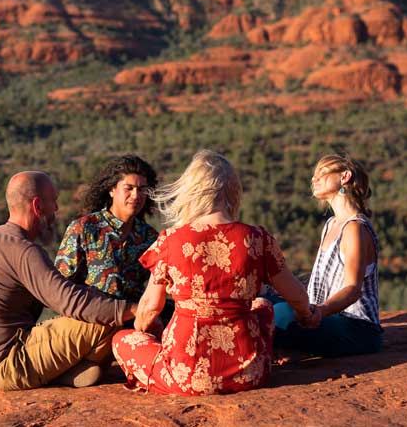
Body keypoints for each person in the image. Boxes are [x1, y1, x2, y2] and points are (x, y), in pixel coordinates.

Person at [111, 150, 313, 395]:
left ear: (191, 190)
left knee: (122, 340)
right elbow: (297, 296)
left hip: (186, 376)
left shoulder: (171, 241)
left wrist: (147, 335)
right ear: (232, 190)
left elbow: (150, 308)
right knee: (263, 304)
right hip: (249, 373)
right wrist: (306, 316)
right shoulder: (257, 239)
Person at [0, 171, 137, 391]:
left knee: (98, 314)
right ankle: (62, 370)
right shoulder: (22, 251)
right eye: (53, 201)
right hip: (6, 364)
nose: (56, 209)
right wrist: (135, 310)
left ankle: (61, 372)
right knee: (107, 321)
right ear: (37, 206)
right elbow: (69, 301)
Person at [272, 153, 383, 356]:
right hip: (326, 319)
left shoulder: (355, 228)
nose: (314, 179)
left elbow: (352, 289)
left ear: (345, 176)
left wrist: (320, 311)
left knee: (275, 314)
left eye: (322, 172)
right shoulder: (331, 224)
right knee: (267, 303)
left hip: (357, 329)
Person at [54, 155, 159, 304]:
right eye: (129, 188)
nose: (136, 195)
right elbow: (60, 286)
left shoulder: (150, 237)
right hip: (88, 320)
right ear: (112, 190)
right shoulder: (85, 228)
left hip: (133, 320)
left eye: (142, 189)